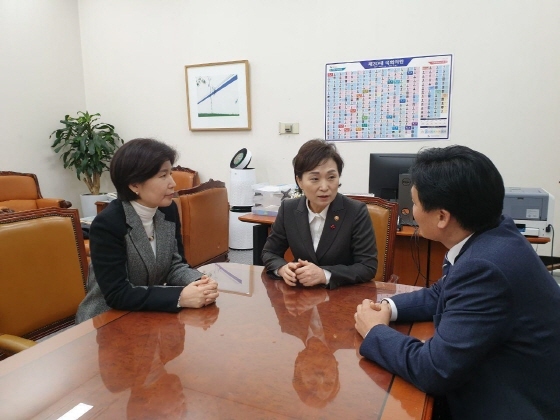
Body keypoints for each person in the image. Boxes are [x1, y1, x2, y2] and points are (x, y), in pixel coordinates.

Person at [354, 145, 560, 419]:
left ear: (442, 217)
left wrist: (374, 331)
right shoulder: (493, 234)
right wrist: (389, 307)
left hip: (506, 402)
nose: (412, 211)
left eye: (414, 203)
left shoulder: (484, 267)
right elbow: (443, 291)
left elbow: (434, 370)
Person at [76, 138, 218, 323]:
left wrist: (200, 282)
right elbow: (117, 294)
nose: (173, 183)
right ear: (134, 184)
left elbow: (175, 266)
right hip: (108, 319)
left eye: (171, 173)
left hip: (148, 312)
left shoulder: (168, 210)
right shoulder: (108, 223)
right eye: (163, 176)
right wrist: (179, 296)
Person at [262, 139, 377, 289]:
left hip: (341, 296)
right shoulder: (288, 209)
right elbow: (269, 252)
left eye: (331, 177)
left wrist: (325, 274)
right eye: (315, 179)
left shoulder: (355, 211)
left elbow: (367, 267)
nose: (324, 187)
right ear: (300, 181)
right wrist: (282, 269)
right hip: (300, 298)